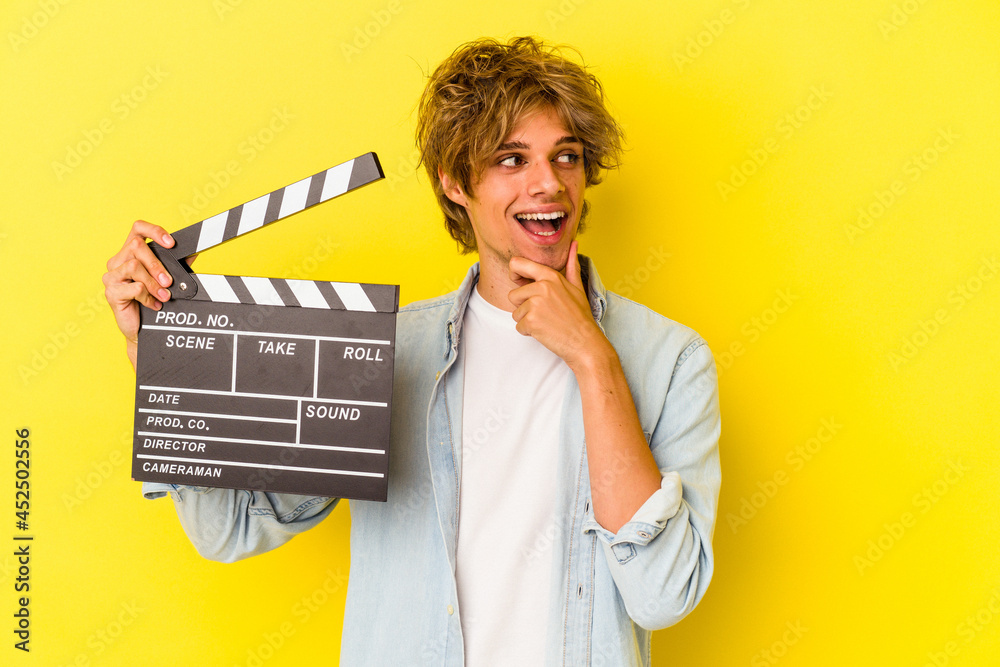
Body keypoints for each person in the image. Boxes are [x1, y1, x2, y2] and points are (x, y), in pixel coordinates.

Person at [103, 36, 721, 666]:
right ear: (456, 182)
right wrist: (161, 353)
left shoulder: (670, 360)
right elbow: (229, 529)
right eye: (511, 159)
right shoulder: (390, 351)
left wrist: (595, 362)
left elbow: (663, 595)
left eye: (566, 156)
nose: (548, 183)